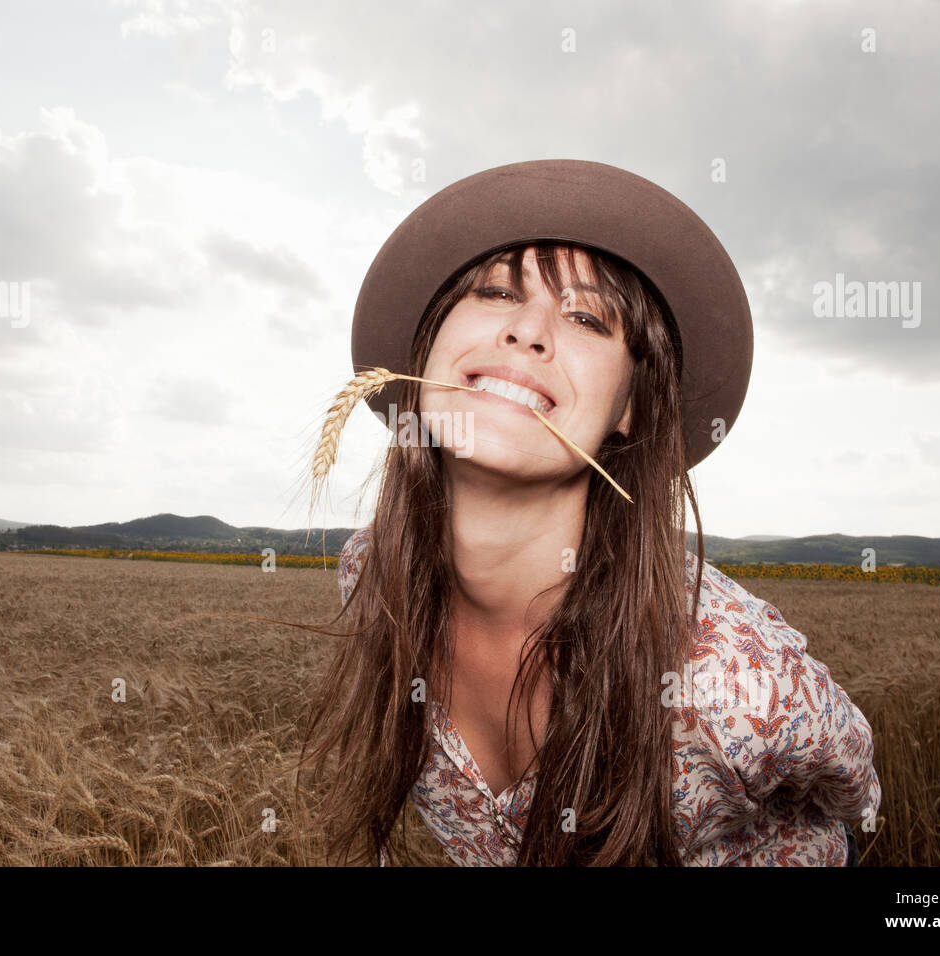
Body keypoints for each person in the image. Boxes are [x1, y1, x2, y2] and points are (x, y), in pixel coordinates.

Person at [298, 160, 880, 866]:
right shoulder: (371, 574)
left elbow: (849, 799)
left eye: (584, 317)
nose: (527, 330)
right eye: (493, 292)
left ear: (629, 410)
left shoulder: (725, 672)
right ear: (425, 353)